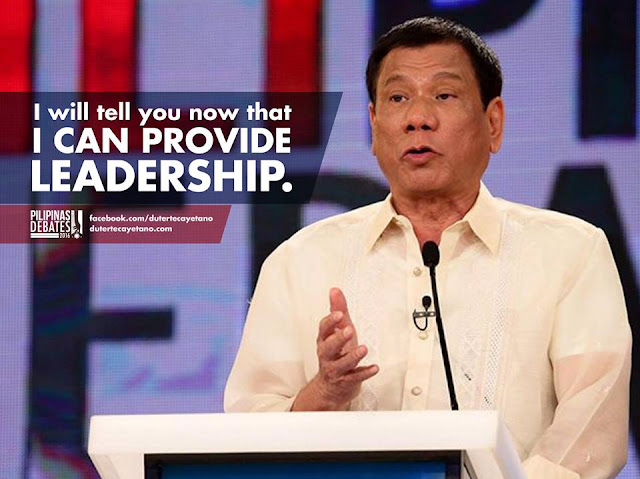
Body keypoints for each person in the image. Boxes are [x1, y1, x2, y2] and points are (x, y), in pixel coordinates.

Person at [224, 17, 631, 479]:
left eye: (444, 95)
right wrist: (325, 393)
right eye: (398, 98)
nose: (418, 117)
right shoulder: (298, 262)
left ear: (493, 122)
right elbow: (247, 435)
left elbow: (588, 434)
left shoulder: (570, 253)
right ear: (374, 125)